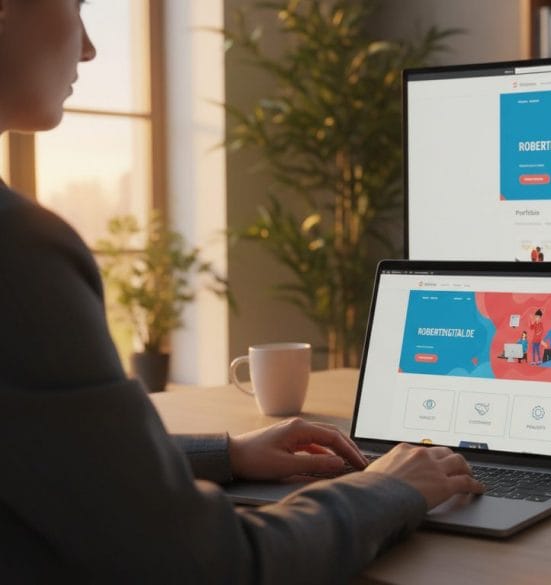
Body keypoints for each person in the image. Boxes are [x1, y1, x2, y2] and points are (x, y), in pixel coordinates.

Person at [0, 1, 481, 581]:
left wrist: (229, 453)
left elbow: (49, 457)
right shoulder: (20, 251)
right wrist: (385, 489)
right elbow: (209, 563)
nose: (88, 48)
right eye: (76, 7)